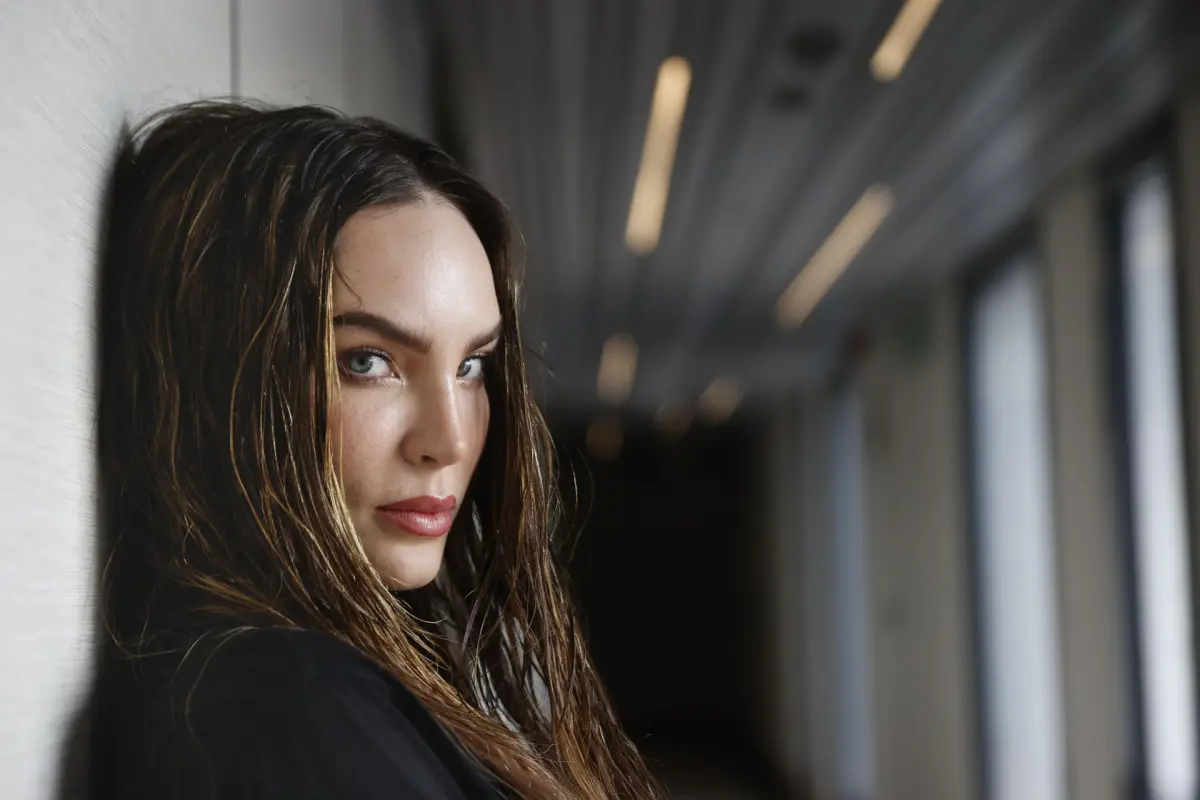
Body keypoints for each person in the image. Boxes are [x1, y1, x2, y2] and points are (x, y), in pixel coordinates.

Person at [90, 101, 663, 800]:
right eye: (367, 362)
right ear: (218, 375)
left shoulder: (304, 685)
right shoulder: (289, 709)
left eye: (471, 366)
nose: (449, 440)